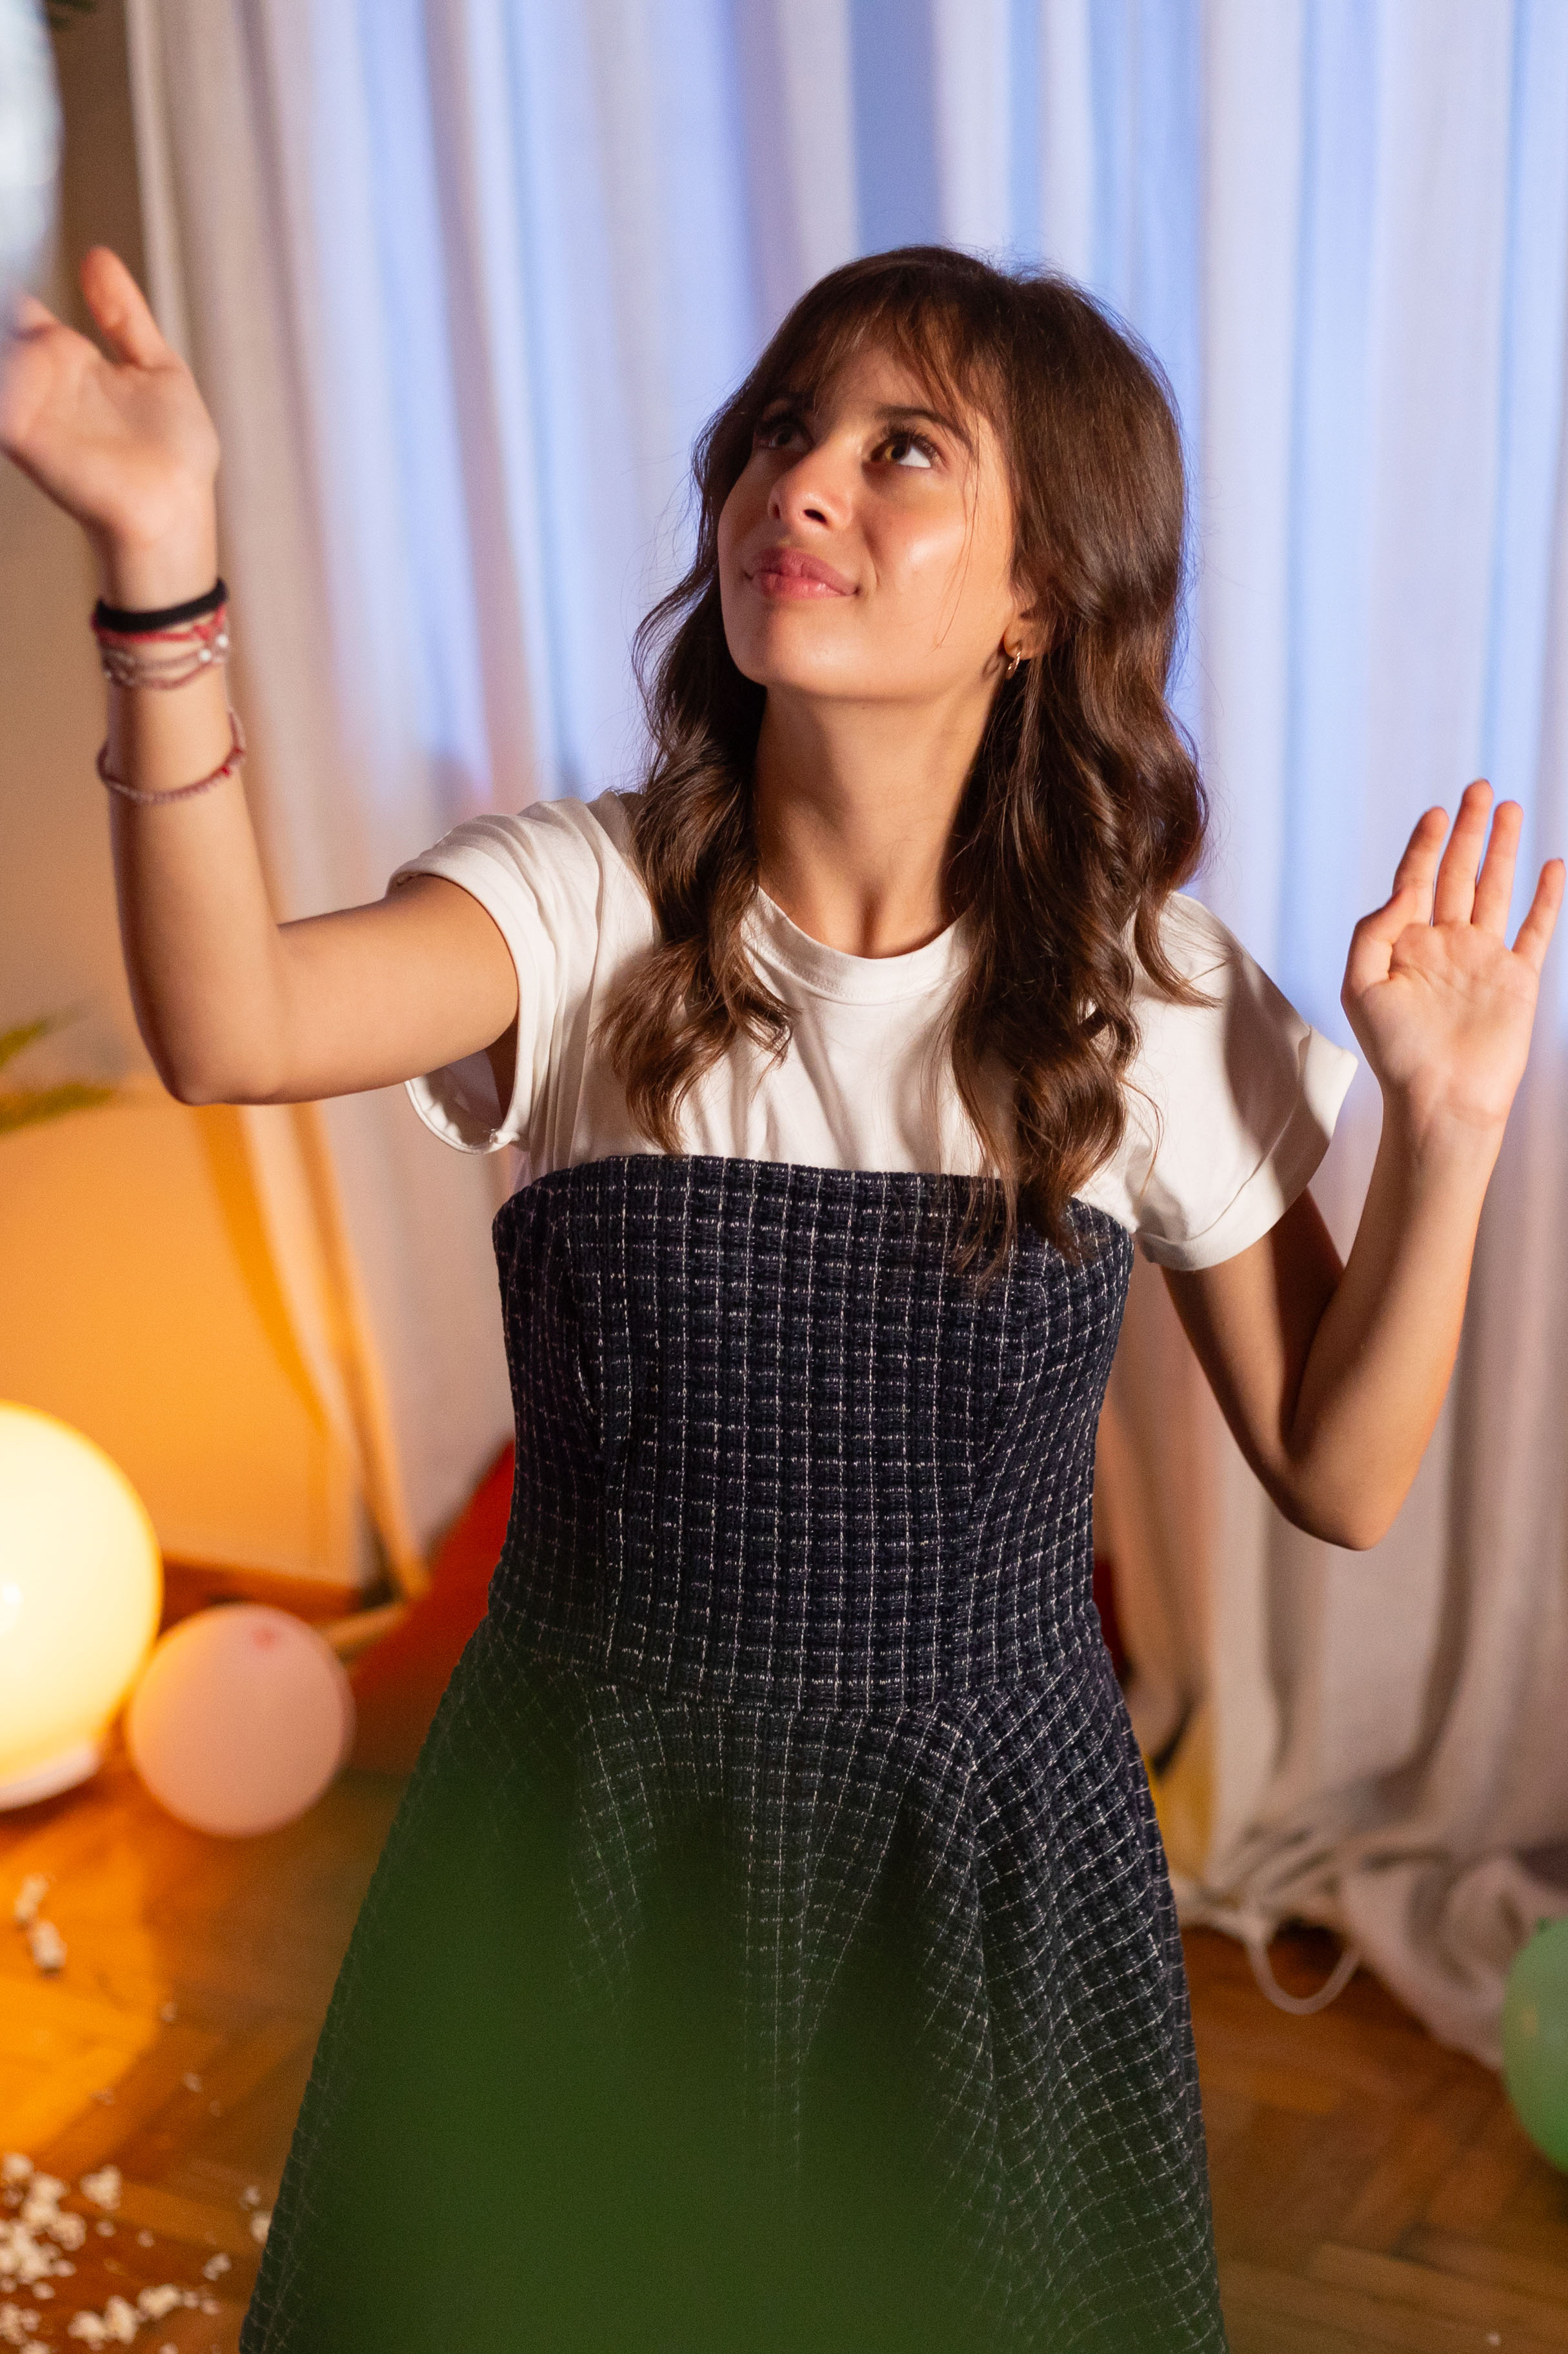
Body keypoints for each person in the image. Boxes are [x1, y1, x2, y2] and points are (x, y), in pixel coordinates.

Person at [3, 241, 1560, 2353]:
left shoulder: (1156, 995)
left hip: (984, 1879)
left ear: (1040, 597)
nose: (798, 482)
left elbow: (1340, 1475)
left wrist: (1447, 1130)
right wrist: (160, 575)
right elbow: (229, 1024)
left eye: (902, 449)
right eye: (779, 432)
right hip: (584, 1838)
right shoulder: (583, 903)